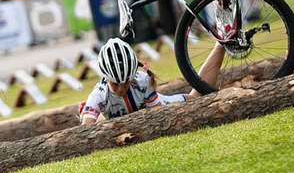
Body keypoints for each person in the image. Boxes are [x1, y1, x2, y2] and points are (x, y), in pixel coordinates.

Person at [79, 37, 224, 125]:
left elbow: (157, 114)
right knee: (97, 121)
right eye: (115, 84)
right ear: (105, 77)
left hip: (155, 105)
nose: (121, 89)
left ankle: (221, 44)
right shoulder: (98, 95)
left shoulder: (142, 81)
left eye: (126, 82)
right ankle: (86, 111)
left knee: (196, 97)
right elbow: (86, 131)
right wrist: (89, 116)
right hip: (110, 118)